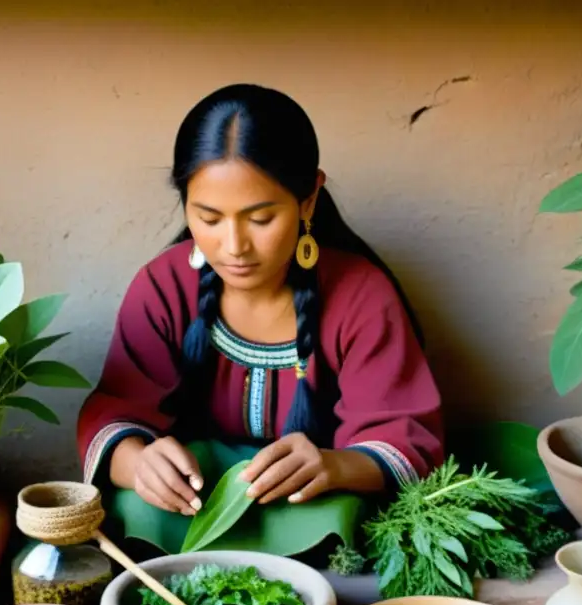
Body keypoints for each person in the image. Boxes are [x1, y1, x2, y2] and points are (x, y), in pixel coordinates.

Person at [76, 83, 444, 555]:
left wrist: (334, 466)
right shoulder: (162, 287)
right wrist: (138, 462)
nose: (234, 246)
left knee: (344, 517)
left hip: (309, 503)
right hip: (193, 505)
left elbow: (403, 435)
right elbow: (115, 408)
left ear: (308, 199)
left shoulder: (361, 295)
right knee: (137, 511)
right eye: (208, 218)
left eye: (261, 218)